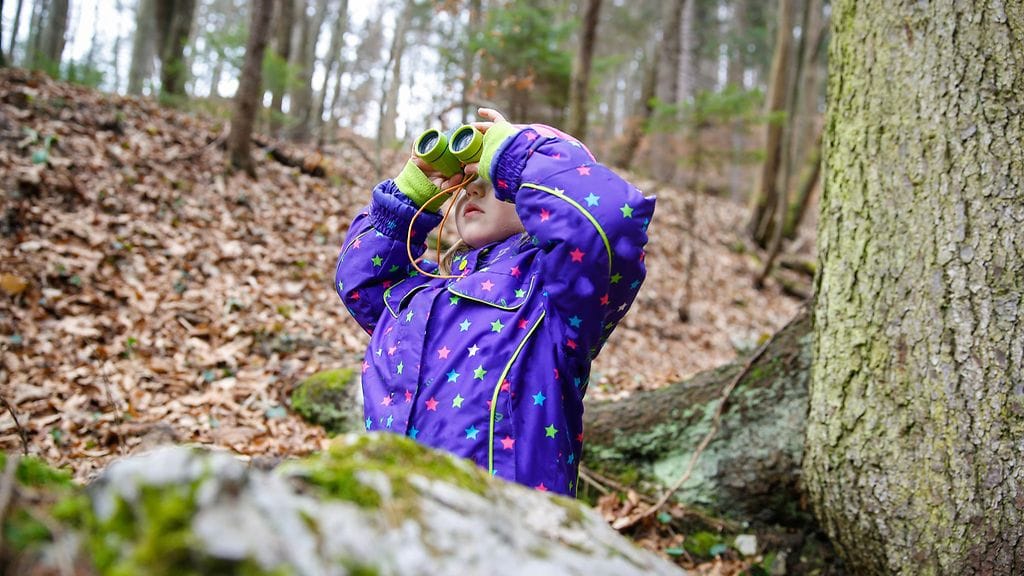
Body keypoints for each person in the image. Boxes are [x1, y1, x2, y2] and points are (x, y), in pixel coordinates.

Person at [335, 108, 655, 496]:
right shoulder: (425, 289)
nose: (474, 188)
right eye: (468, 180)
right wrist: (412, 193)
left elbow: (606, 222)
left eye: (493, 178)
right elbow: (360, 279)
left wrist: (515, 154)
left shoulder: (554, 297)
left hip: (505, 527)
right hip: (398, 520)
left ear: (542, 200)